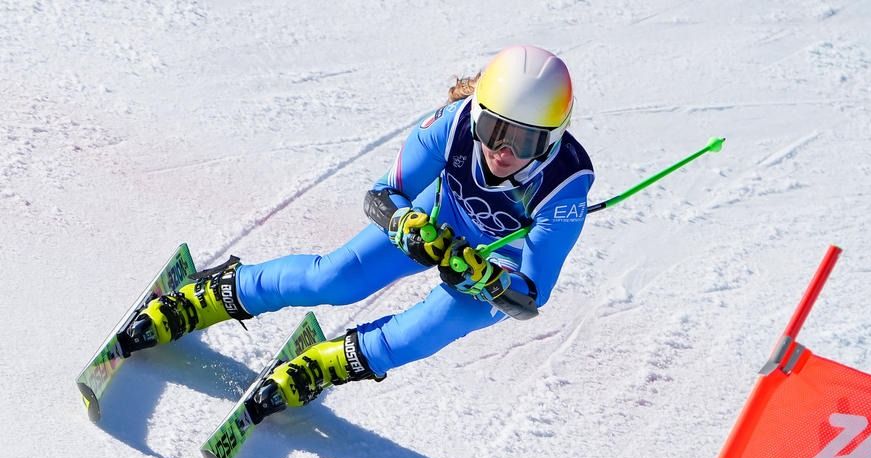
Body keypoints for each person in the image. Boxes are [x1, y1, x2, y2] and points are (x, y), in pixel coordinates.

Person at [124, 45, 594, 415]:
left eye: (525, 141)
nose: (503, 151)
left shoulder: (564, 190)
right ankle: (210, 296)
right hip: (438, 220)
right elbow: (383, 193)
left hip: (495, 265)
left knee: (428, 328)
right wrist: (405, 223)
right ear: (477, 113)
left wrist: (486, 278)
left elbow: (530, 296)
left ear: (552, 139)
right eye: (492, 129)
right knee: (334, 279)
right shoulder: (452, 126)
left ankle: (325, 366)